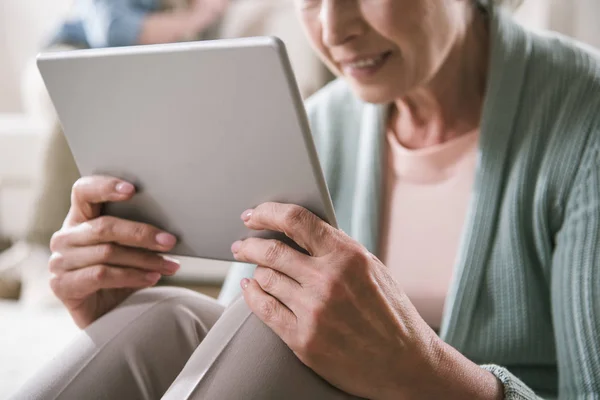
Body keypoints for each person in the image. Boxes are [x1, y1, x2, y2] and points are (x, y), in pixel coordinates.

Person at [14, 0, 600, 398]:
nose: (333, 28)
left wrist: (424, 373)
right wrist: (106, 314)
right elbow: (241, 340)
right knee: (166, 318)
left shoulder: (584, 122)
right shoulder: (318, 122)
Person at [0, 0, 331, 304]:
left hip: (138, 71)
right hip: (83, 52)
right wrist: (194, 17)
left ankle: (85, 260)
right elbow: (113, 31)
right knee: (87, 106)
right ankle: (37, 249)